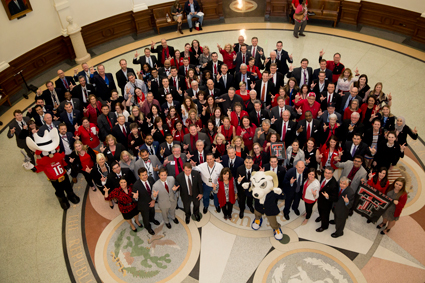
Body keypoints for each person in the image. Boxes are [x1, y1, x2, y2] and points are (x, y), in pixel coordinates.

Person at [132, 168, 160, 235]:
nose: (145, 176)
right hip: (143, 205)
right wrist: (136, 197)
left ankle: (152, 220)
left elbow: (155, 190)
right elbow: (134, 199)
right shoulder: (136, 185)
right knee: (145, 217)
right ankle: (148, 227)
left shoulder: (151, 179)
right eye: (143, 175)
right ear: (139, 176)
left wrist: (153, 200)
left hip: (152, 201)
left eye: (145, 174)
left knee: (152, 212)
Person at [315, 166, 339, 232]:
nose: (326, 174)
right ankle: (320, 217)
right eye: (325, 172)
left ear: (332, 174)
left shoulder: (334, 184)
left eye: (329, 173)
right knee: (319, 210)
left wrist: (328, 196)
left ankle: (324, 226)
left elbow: (335, 198)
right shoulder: (323, 176)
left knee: (325, 215)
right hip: (320, 199)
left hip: (326, 203)